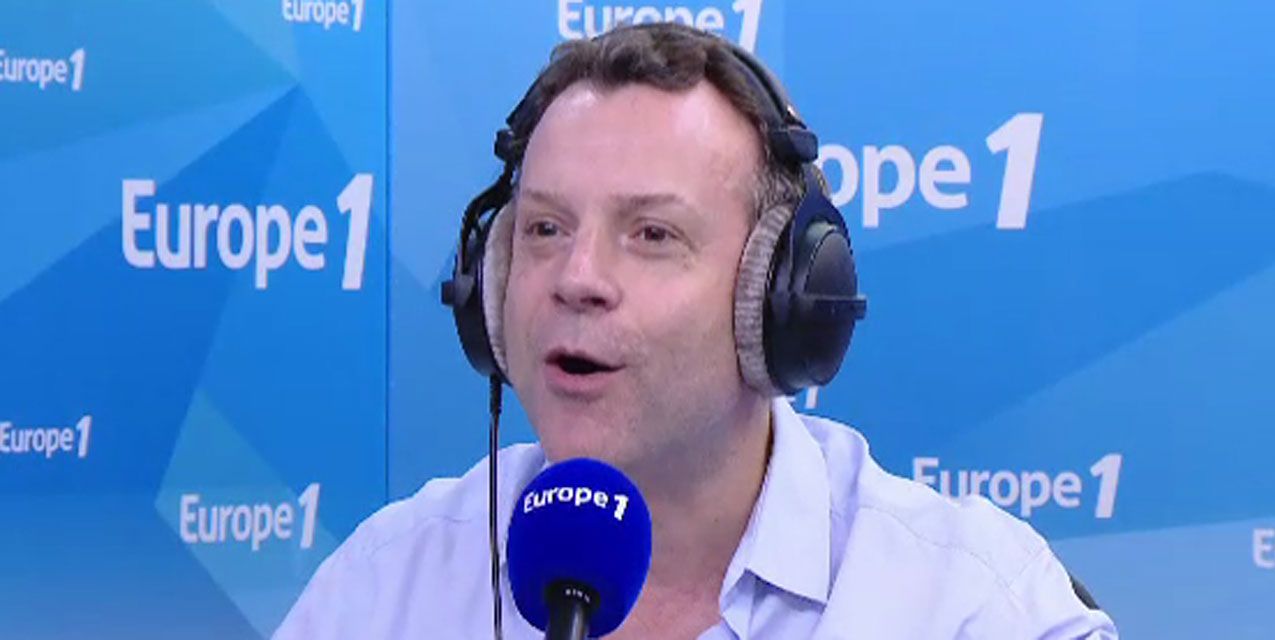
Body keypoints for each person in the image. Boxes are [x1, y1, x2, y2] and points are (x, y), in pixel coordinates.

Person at [275, 22, 1119, 639]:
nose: (576, 278)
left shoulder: (968, 605)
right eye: (544, 229)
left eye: (652, 234)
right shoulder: (384, 592)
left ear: (780, 299)